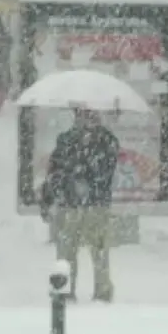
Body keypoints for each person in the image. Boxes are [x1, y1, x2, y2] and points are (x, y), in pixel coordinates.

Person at [40, 108, 121, 302]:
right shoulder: (66, 139)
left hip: (96, 204)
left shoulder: (107, 140)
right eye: (83, 114)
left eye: (92, 113)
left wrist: (84, 166)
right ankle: (65, 288)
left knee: (99, 250)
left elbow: (106, 172)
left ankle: (102, 291)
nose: (88, 118)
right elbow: (55, 171)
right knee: (67, 250)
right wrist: (63, 186)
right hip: (71, 204)